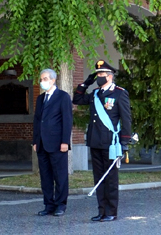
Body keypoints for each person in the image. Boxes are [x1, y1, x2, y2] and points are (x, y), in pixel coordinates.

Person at [73, 60, 132, 222]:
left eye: (102, 74)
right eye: (97, 74)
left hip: (111, 143)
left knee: (110, 178)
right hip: (95, 141)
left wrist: (125, 141)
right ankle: (101, 211)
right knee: (99, 178)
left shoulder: (119, 93)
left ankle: (111, 211)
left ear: (110, 76)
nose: (99, 77)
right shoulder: (95, 94)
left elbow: (126, 119)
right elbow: (77, 100)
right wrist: (86, 83)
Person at [32, 69, 73, 217]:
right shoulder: (40, 98)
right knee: (46, 176)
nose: (42, 81)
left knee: (60, 175)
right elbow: (37, 120)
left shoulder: (63, 97)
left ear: (53, 80)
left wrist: (65, 142)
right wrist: (35, 141)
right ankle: (48, 204)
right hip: (42, 143)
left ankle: (61, 204)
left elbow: (67, 121)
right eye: (41, 79)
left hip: (57, 143)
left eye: (45, 79)